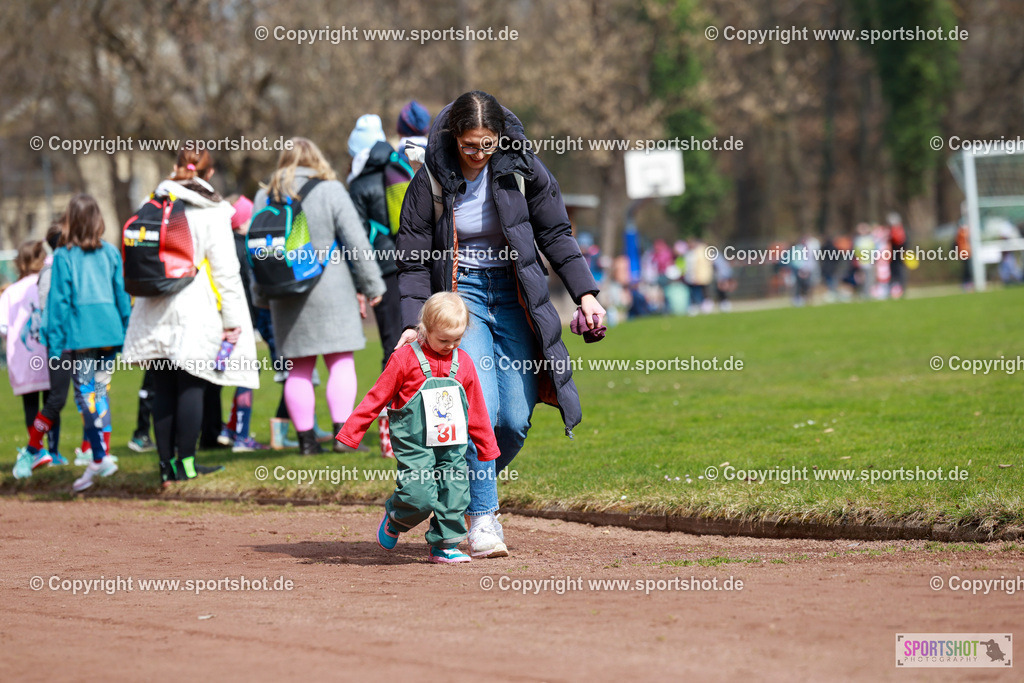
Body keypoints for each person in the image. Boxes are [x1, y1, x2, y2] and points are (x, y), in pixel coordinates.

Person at [396, 90, 605, 558]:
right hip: (460, 298)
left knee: (512, 421)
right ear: (454, 137)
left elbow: (555, 233)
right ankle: (483, 521)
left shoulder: (524, 169)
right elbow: (411, 261)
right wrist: (413, 324)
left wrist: (586, 294)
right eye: (470, 146)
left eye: (486, 145)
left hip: (515, 299)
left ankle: (455, 487)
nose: (478, 155)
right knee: (481, 411)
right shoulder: (430, 178)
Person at [122, 147, 259, 485]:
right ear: (208, 174)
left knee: (163, 386)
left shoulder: (152, 201)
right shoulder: (212, 211)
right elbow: (226, 272)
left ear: (175, 168)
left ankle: (165, 467)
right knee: (192, 387)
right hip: (193, 308)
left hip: (153, 306)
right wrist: (232, 322)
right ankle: (187, 465)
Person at [337, 292, 498, 563]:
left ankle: (445, 545)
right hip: (415, 445)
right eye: (443, 339)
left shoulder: (465, 363)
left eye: (457, 340)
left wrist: (486, 446)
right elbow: (377, 396)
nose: (450, 346)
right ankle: (395, 518)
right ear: (425, 329)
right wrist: (352, 432)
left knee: (455, 494)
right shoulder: (404, 360)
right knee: (419, 495)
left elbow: (477, 409)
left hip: (452, 445)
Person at [253, 137, 386, 455]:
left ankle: (307, 442)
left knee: (297, 367)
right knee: (340, 360)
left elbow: (256, 252)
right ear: (317, 159)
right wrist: (373, 286)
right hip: (331, 288)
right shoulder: (330, 190)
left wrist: (260, 295)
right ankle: (343, 437)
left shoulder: (264, 195)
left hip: (284, 293)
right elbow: (356, 242)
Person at [40, 194, 132, 492]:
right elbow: (121, 295)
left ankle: (100, 456)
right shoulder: (109, 252)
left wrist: (55, 347)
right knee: (99, 390)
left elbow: (59, 304)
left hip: (83, 335)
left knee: (85, 395)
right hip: (109, 332)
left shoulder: (65, 256)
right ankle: (99, 454)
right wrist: (127, 328)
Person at [348, 114, 417, 458]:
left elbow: (357, 241)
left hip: (383, 270)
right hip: (415, 263)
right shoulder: (401, 167)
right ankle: (425, 426)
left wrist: (362, 283)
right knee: (422, 344)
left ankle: (390, 436)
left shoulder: (358, 184)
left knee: (392, 347)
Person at [4, 239, 62, 477]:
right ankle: (54, 452)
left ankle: (36, 450)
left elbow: (4, 328)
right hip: (48, 354)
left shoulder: (11, 291)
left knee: (31, 405)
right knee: (52, 404)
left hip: (24, 359)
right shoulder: (50, 281)